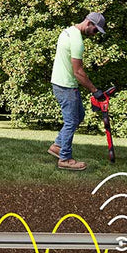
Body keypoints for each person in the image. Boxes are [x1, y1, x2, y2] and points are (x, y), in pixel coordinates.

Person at [48, 12, 106, 170]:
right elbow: (78, 72)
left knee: (79, 115)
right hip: (66, 86)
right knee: (71, 121)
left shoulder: (67, 32)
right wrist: (95, 90)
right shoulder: (77, 41)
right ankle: (65, 159)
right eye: (95, 30)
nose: (95, 34)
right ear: (89, 23)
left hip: (59, 82)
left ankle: (57, 146)